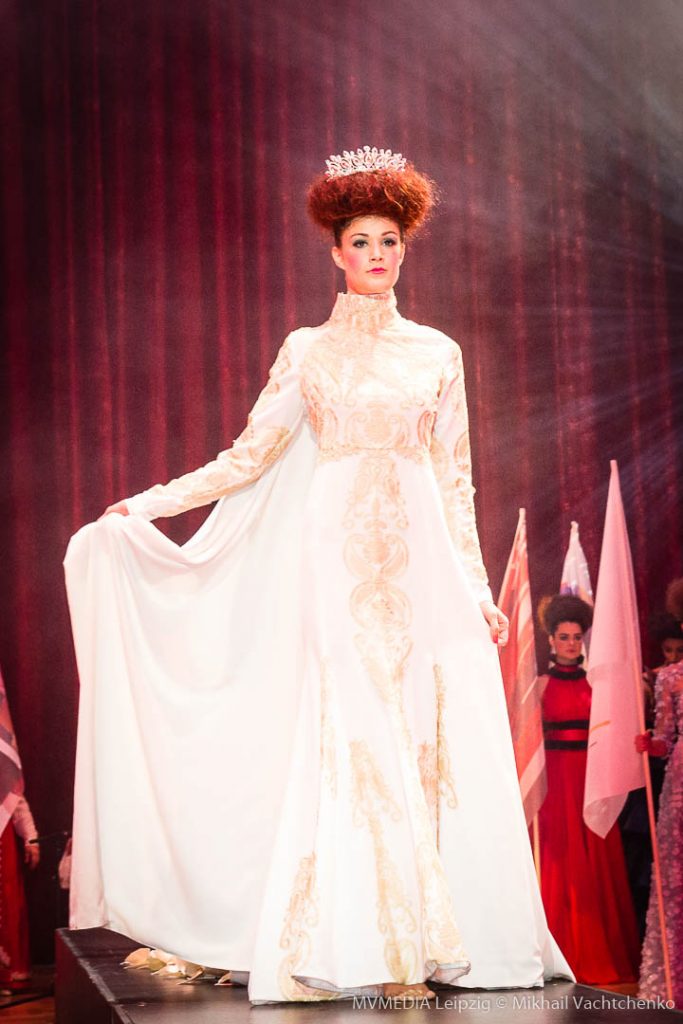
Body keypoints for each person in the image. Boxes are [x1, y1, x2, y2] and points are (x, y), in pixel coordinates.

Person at [65, 146, 571, 1003]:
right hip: (336, 566)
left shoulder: (437, 352)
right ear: (335, 253)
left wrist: (476, 589)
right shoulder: (307, 351)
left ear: (404, 248)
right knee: (354, 728)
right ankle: (367, 947)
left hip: (422, 570)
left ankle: (434, 940)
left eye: (388, 241)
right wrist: (147, 504)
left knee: (427, 734)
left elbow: (454, 479)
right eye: (360, 241)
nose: (376, 254)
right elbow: (248, 456)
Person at [537, 594, 640, 984]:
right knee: (559, 864)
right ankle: (556, 952)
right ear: (551, 640)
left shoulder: (597, 685)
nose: (570, 644)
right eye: (564, 637)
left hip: (589, 781)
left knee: (595, 864)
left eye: (576, 637)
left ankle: (598, 951)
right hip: (555, 785)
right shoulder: (539, 686)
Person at [636, 578, 683, 1008]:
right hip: (680, 786)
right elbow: (666, 741)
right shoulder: (670, 677)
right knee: (675, 876)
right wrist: (648, 743)